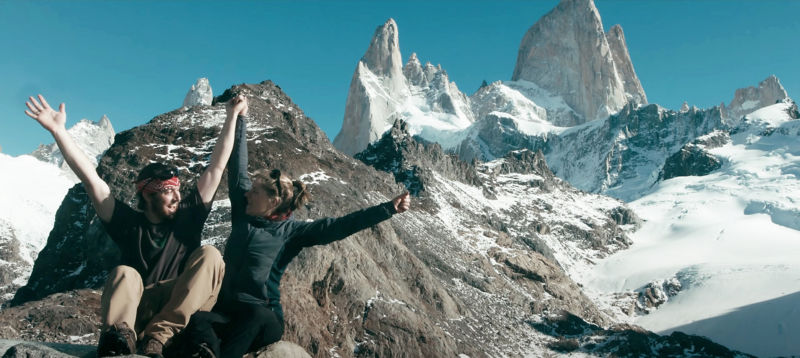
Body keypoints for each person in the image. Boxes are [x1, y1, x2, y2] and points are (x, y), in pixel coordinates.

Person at [24, 94, 248, 357]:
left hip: (182, 308)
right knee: (124, 273)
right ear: (147, 194)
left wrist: (231, 115)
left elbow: (216, 167)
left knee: (211, 255)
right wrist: (58, 131)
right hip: (143, 307)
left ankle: (160, 337)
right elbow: (91, 181)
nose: (177, 196)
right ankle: (120, 338)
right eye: (167, 190)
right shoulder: (128, 224)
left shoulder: (189, 216)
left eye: (177, 189)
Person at [208, 113, 411, 358]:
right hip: (228, 311)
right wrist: (240, 117)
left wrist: (388, 209)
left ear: (272, 201)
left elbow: (339, 226)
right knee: (197, 323)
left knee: (253, 317)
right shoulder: (245, 212)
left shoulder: (292, 233)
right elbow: (237, 167)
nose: (247, 194)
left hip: (263, 317)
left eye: (255, 192)